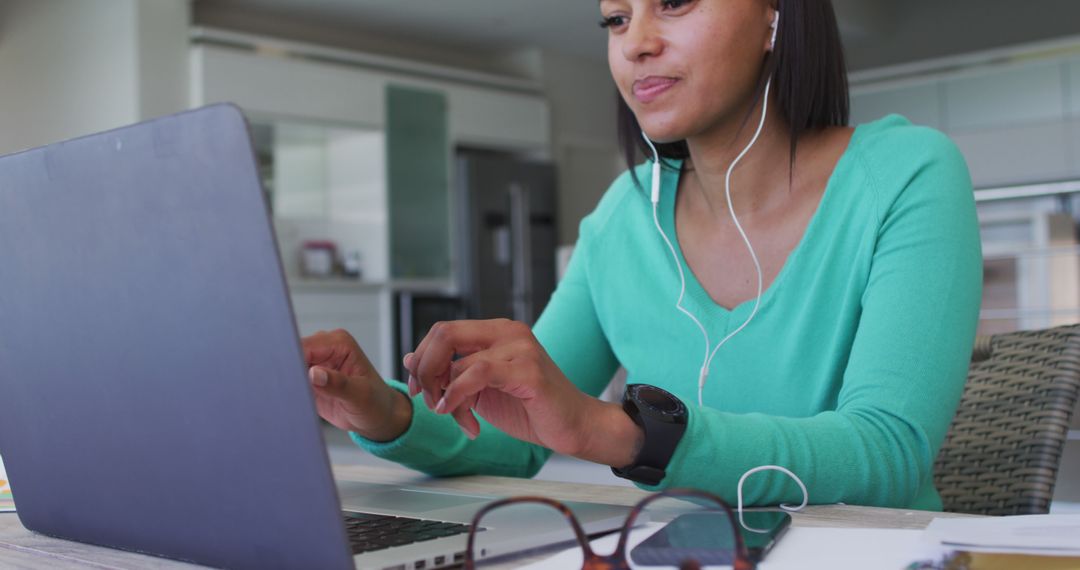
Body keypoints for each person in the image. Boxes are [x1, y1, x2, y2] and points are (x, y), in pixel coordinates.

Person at [303, 0, 982, 510]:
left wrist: (627, 435)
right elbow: (516, 437)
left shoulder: (907, 175)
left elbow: (888, 453)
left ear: (776, 14)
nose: (637, 44)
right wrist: (384, 411)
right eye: (617, 20)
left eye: (675, 2)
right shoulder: (622, 221)